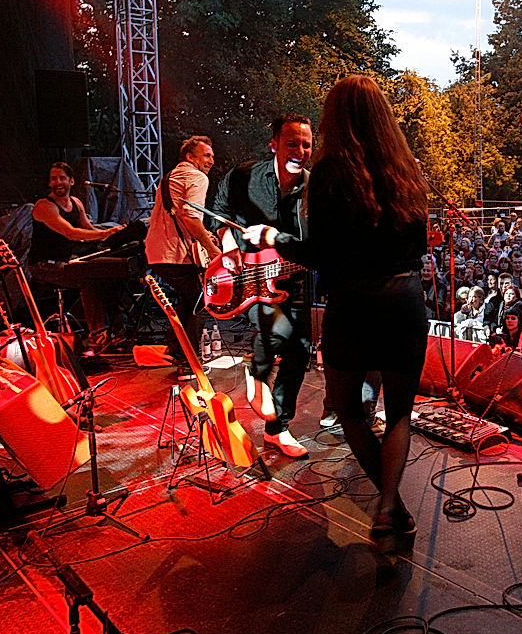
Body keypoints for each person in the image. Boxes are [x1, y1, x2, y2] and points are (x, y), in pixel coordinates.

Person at [243, 75, 428, 552]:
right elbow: (421, 244)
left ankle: (393, 508)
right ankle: (389, 507)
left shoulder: (329, 173)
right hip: (404, 299)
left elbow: (320, 252)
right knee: (400, 413)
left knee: (348, 409)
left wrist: (273, 238)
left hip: (354, 304)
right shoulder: (406, 168)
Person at [211, 113, 316, 458]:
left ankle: (277, 429)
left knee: (300, 351)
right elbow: (219, 213)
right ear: (274, 144)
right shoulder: (244, 176)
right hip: (247, 274)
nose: (300, 150)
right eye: (292, 143)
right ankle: (258, 376)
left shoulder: (314, 189)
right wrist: (229, 248)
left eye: (306, 144)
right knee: (275, 329)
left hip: (294, 276)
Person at [28, 162, 126, 350]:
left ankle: (116, 330)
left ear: (71, 181)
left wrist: (115, 236)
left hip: (69, 260)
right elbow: (71, 233)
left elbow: (88, 231)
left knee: (110, 276)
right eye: (54, 178)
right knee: (89, 279)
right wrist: (105, 234)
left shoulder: (76, 202)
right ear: (49, 183)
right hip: (44, 265)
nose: (58, 182)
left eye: (62, 178)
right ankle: (97, 335)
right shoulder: (44, 206)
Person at [144, 136, 220, 365]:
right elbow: (191, 218)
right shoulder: (196, 177)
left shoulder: (169, 178)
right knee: (204, 301)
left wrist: (204, 234)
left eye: (212, 156)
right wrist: (213, 249)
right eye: (206, 155)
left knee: (189, 300)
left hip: (157, 252)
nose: (211, 161)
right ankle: (189, 360)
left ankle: (175, 349)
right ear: (190, 156)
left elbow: (177, 214)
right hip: (176, 253)